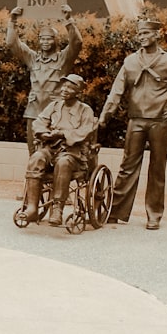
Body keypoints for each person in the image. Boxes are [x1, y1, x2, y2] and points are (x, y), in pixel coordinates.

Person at [98, 19, 167, 229]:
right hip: (136, 120)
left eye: (147, 33)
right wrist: (104, 116)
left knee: (157, 169)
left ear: (157, 34)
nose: (142, 37)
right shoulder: (130, 62)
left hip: (161, 122)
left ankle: (154, 214)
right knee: (127, 167)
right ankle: (116, 210)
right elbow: (116, 92)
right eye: (140, 34)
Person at [19, 74, 97, 227]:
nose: (64, 89)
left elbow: (85, 131)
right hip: (51, 148)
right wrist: (44, 133)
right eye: (64, 86)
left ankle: (57, 209)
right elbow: (39, 121)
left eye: (70, 87)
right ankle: (32, 207)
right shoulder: (54, 106)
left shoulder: (85, 110)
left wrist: (63, 134)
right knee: (36, 158)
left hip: (72, 154)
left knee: (63, 162)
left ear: (78, 92)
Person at [7, 4, 82, 153]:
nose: (45, 42)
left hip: (55, 113)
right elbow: (12, 43)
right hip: (33, 111)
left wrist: (68, 20)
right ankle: (34, 175)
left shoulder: (63, 59)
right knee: (33, 151)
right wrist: (13, 20)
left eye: (49, 39)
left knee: (55, 151)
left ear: (55, 41)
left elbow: (77, 43)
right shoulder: (33, 59)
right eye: (42, 39)